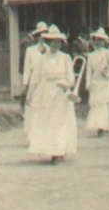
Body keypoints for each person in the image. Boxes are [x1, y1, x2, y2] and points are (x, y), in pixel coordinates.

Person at [27, 25, 78, 164]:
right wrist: (29, 95)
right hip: (46, 94)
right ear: (48, 42)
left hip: (61, 94)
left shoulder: (65, 58)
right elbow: (35, 77)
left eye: (59, 41)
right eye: (54, 41)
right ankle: (54, 151)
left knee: (61, 122)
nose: (56, 44)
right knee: (49, 122)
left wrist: (66, 86)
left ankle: (59, 151)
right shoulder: (42, 59)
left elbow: (71, 78)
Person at [86, 27, 109, 137]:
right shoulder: (91, 55)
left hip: (106, 82)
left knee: (105, 104)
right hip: (96, 82)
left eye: (100, 40)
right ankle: (99, 125)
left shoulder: (107, 53)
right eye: (96, 40)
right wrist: (88, 83)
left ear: (104, 42)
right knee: (97, 104)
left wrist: (108, 74)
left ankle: (104, 126)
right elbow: (89, 71)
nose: (98, 42)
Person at [21, 22, 49, 138]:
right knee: (32, 105)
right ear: (37, 36)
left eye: (45, 34)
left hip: (46, 81)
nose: (42, 37)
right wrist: (25, 83)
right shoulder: (30, 50)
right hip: (34, 81)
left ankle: (44, 132)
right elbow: (27, 68)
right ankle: (33, 132)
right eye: (40, 35)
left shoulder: (49, 50)